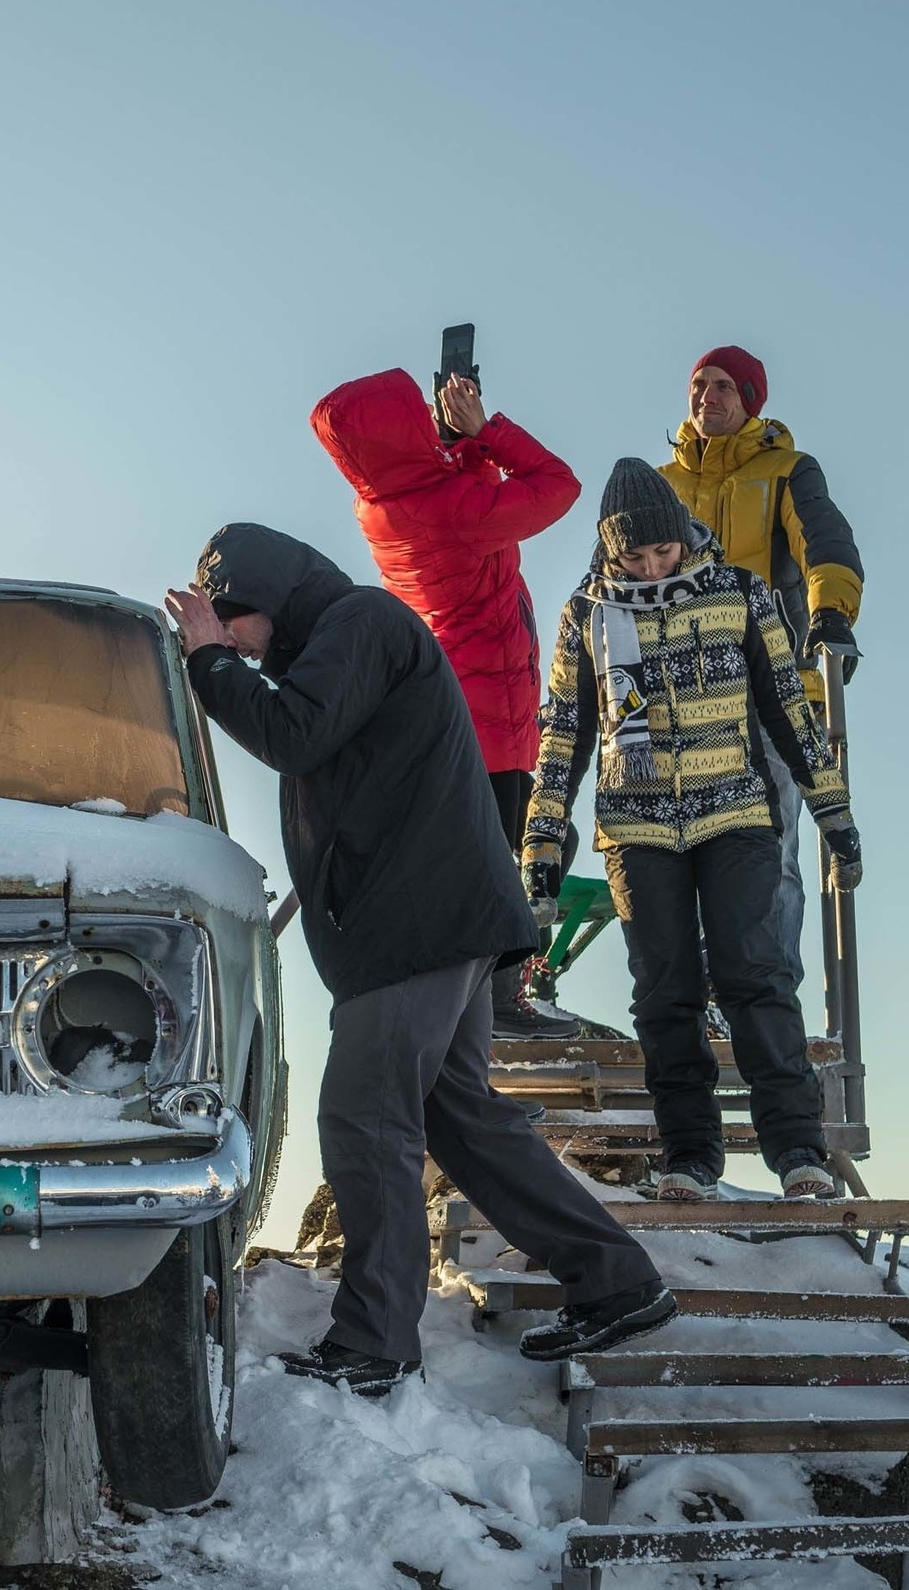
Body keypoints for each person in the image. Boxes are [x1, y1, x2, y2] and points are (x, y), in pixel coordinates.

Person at [166, 523, 671, 1393]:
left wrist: (209, 664)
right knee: (459, 1118)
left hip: (415, 925)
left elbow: (292, 735)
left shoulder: (360, 624)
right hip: (436, 921)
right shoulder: (344, 641)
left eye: (232, 622)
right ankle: (618, 1283)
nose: (231, 642)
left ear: (267, 600)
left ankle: (374, 1343)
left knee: (365, 1120)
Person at [522, 460, 864, 1203]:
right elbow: (563, 735)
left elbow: (787, 710)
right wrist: (542, 843)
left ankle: (797, 1150)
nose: (650, 568)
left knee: (753, 972)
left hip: (734, 812)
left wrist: (833, 812)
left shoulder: (742, 596)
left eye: (662, 553)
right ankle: (689, 1157)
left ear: (683, 537)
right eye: (634, 559)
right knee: (664, 991)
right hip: (635, 827)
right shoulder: (589, 614)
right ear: (612, 554)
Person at [310, 369, 583, 1037]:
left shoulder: (384, 499)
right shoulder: (451, 509)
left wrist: (462, 446)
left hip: (459, 712)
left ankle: (474, 997)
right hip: (492, 715)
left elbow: (451, 487)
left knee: (503, 853)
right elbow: (557, 487)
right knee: (518, 856)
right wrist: (487, 430)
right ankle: (497, 1002)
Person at [658, 346, 863, 987]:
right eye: (699, 385)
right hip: (683, 697)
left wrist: (831, 614)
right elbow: (616, 572)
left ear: (750, 401)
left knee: (768, 852)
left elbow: (825, 541)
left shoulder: (787, 471)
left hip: (769, 690)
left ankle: (767, 993)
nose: (707, 397)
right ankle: (705, 1001)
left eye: (723, 387)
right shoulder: (662, 485)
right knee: (684, 850)